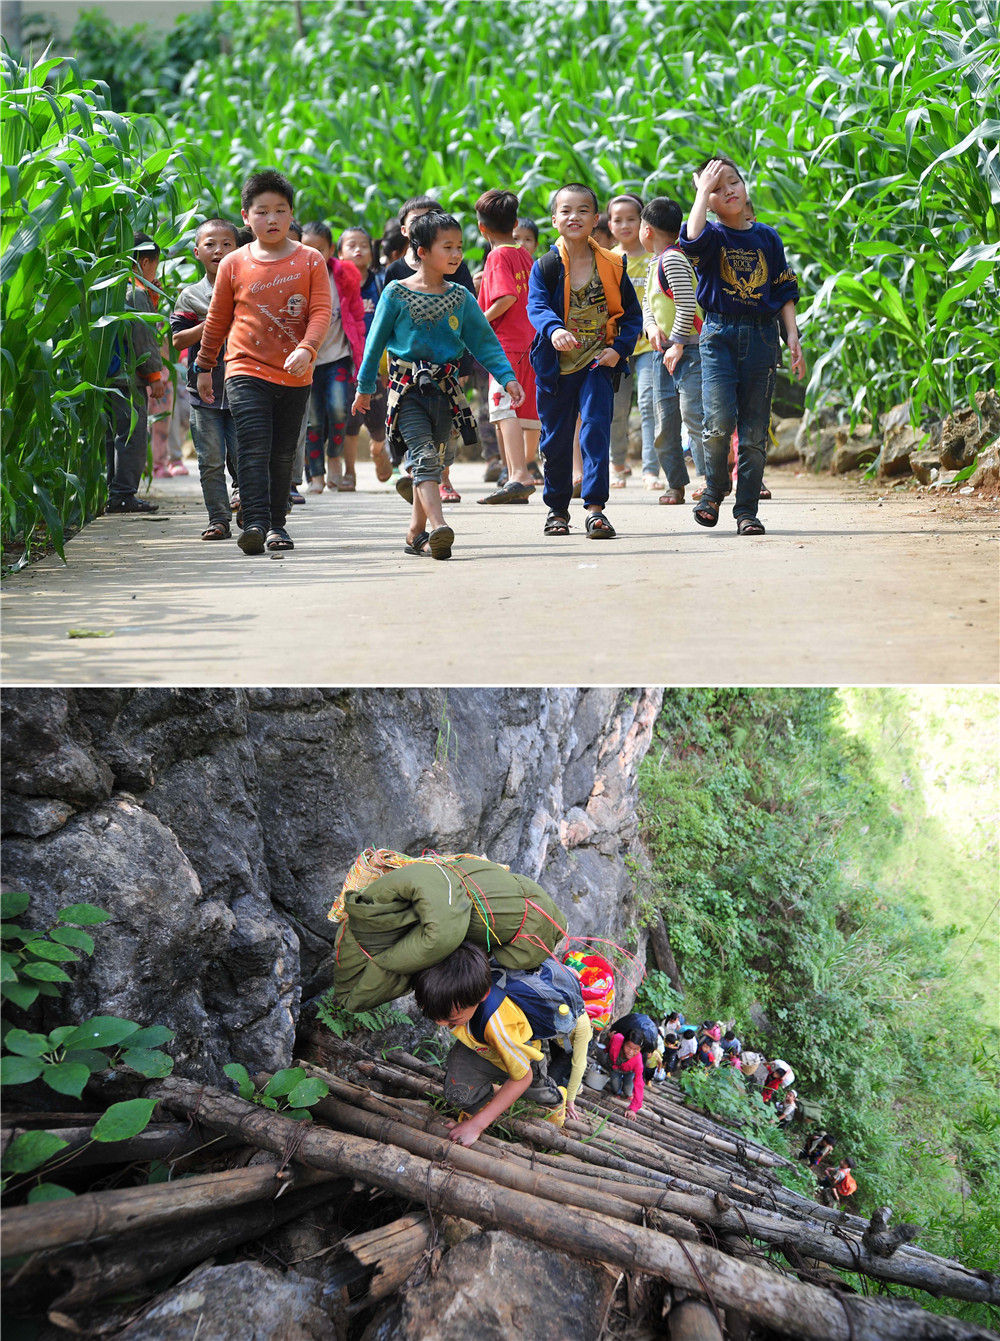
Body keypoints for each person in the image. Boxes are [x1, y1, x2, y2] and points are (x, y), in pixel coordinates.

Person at [352, 211, 523, 561]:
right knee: (424, 458)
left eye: (459, 246)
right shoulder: (395, 293)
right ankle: (439, 525)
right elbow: (375, 343)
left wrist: (507, 378)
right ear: (421, 251)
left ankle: (415, 533)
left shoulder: (461, 296)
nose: (457, 254)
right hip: (407, 391)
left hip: (446, 392)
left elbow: (485, 343)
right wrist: (365, 387)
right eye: (448, 246)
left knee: (435, 458)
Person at [196, 169, 332, 554]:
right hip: (244, 368)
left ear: (291, 215)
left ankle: (277, 525)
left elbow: (321, 311)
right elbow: (218, 320)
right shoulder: (233, 264)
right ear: (246, 216)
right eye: (261, 211)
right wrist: (205, 367)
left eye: (280, 210)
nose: (271, 219)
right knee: (252, 447)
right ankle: (254, 523)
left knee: (282, 453)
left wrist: (307, 347)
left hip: (296, 374)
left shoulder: (310, 261)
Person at [678, 155, 805, 534]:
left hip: (763, 336)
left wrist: (792, 334)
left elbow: (783, 289)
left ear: (744, 185)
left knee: (752, 434)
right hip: (719, 335)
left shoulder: (767, 236)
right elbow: (692, 238)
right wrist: (701, 193)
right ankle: (715, 488)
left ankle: (747, 511)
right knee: (717, 424)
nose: (727, 191)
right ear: (706, 198)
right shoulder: (713, 236)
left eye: (732, 181)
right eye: (715, 188)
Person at [526, 183, 641, 541]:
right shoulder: (544, 266)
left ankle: (595, 510)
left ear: (595, 219)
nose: (573, 217)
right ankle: (557, 510)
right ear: (554, 219)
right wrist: (553, 329)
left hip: (596, 364)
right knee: (556, 441)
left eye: (582, 210)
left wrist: (618, 349)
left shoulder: (612, 264)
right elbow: (536, 306)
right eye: (565, 210)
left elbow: (632, 317)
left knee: (595, 430)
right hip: (556, 369)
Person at [411, 942, 566, 1146]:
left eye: (451, 1020)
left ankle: (557, 1099)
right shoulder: (445, 993)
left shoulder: (500, 1027)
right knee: (458, 1093)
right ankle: (488, 1101)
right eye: (434, 1016)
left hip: (523, 1058)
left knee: (539, 1092)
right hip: (482, 1047)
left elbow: (523, 1078)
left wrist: (477, 1125)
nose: (441, 1024)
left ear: (482, 996)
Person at [382, 195, 480, 503]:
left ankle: (440, 478)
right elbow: (385, 330)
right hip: (407, 370)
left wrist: (464, 367)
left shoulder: (455, 269)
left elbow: (469, 323)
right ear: (405, 231)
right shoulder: (396, 273)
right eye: (417, 221)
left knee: (445, 429)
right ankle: (423, 478)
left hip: (446, 367)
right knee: (414, 425)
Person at [171, 218, 240, 539]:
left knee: (244, 457)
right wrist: (213, 321)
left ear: (239, 250)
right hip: (204, 391)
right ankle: (218, 519)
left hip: (245, 387)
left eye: (227, 244)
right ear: (197, 252)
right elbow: (178, 340)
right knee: (211, 459)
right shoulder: (190, 296)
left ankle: (253, 513)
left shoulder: (249, 287)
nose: (219, 250)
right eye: (210, 244)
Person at [474, 188, 541, 505]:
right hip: (530, 342)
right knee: (524, 410)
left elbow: (506, 298)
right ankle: (524, 470)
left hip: (505, 347)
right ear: (515, 223)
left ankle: (518, 475)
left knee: (503, 409)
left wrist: (479, 323)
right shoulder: (524, 255)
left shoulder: (497, 255)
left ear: (481, 227)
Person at [640, 197, 706, 505]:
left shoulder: (674, 260)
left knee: (694, 416)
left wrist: (678, 343)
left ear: (648, 230)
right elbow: (648, 303)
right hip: (661, 353)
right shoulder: (655, 262)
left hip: (688, 351)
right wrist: (651, 328)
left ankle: (708, 479)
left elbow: (686, 302)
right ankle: (675, 483)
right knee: (664, 422)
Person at [105, 232, 169, 514]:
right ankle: (123, 495)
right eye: (154, 265)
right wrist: (155, 377)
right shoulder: (137, 291)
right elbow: (144, 336)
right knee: (132, 436)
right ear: (145, 262)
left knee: (112, 436)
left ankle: (113, 491)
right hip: (129, 377)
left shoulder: (108, 289)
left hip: (105, 378)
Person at [299, 221, 365, 494]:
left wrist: (361, 357)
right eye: (307, 248)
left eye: (320, 250)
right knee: (312, 420)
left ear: (330, 251)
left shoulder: (345, 275)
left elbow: (357, 317)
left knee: (339, 412)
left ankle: (334, 456)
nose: (313, 255)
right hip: (306, 361)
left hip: (338, 358)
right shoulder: (292, 277)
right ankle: (315, 475)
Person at [607, 193, 658, 491]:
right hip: (618, 347)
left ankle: (651, 469)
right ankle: (617, 465)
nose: (625, 224)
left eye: (632, 218)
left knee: (651, 406)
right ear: (609, 223)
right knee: (616, 409)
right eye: (617, 219)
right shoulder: (608, 260)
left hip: (651, 344)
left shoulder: (656, 257)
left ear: (644, 222)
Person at [339, 226, 392, 483]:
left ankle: (378, 449)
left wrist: (386, 367)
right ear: (339, 253)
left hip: (376, 363)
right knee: (350, 422)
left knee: (378, 420)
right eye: (351, 245)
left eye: (363, 244)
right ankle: (349, 472)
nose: (358, 249)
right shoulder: (336, 284)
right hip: (346, 361)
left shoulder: (381, 283)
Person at [606, 1026, 645, 1119]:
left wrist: (633, 1108)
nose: (631, 1052)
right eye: (628, 1047)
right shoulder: (617, 1039)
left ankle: (628, 1093)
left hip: (629, 1072)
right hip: (615, 1067)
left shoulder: (638, 1061)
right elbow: (609, 1046)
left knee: (628, 1091)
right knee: (615, 1089)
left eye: (636, 1049)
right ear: (623, 1043)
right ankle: (618, 1092)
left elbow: (639, 1083)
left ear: (640, 1049)